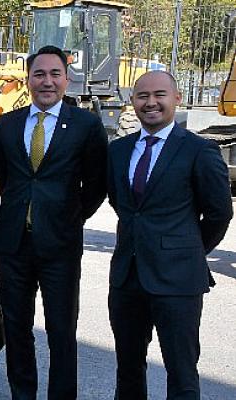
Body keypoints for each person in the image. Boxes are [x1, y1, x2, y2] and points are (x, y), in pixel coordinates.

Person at [0, 45, 108, 399]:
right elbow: (5, 178)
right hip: (13, 245)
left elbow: (97, 184)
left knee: (61, 330)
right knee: (16, 327)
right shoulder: (7, 125)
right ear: (27, 80)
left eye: (55, 74)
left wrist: (70, 217)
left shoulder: (86, 125)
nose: (47, 81)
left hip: (60, 246)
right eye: (39, 74)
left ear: (66, 79)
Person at [106, 70, 232, 399]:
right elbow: (122, 204)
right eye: (142, 96)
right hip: (127, 279)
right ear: (133, 101)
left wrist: (187, 250)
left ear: (176, 98)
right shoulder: (118, 151)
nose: (151, 102)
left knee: (181, 373)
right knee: (128, 370)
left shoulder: (198, 150)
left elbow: (219, 213)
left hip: (178, 281)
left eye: (159, 95)